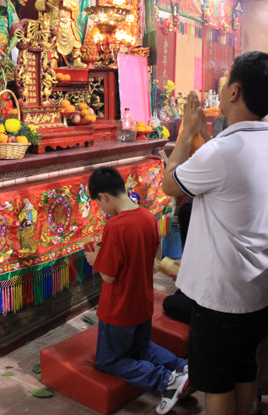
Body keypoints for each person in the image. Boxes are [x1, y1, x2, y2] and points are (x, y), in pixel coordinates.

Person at [162, 51, 268, 415]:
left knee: (215, 382)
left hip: (221, 299)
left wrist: (186, 130)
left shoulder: (222, 151)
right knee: (243, 370)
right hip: (258, 289)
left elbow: (171, 185)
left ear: (234, 92)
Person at [84, 166, 190, 415]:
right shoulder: (146, 216)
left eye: (99, 205)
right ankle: (183, 368)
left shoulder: (116, 226)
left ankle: (166, 381)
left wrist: (96, 259)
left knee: (108, 360)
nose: (103, 210)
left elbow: (109, 276)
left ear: (104, 197)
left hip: (118, 309)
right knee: (140, 348)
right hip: (142, 303)